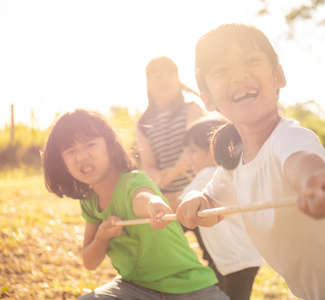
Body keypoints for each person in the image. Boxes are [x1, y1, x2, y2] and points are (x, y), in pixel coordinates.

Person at [175, 23, 325, 300]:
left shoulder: (289, 137)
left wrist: (315, 182)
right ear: (206, 97)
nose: (239, 75)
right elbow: (212, 206)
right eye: (221, 70)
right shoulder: (233, 167)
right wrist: (196, 201)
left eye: (251, 60)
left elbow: (302, 162)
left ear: (278, 76)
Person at [42, 109, 228, 300]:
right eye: (71, 151)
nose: (81, 157)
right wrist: (101, 238)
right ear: (61, 162)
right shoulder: (89, 202)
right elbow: (89, 262)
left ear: (110, 147)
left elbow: (142, 198)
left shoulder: (133, 181)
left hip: (189, 287)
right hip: (135, 288)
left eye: (90, 144)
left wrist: (153, 205)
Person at [179, 116, 263, 300]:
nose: (187, 158)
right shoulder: (221, 176)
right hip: (235, 257)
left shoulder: (206, 175)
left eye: (193, 152)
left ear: (211, 151)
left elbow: (181, 205)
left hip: (236, 258)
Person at [136, 56, 205, 210]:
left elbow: (193, 151)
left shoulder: (191, 110)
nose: (164, 80)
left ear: (178, 80)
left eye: (170, 74)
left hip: (198, 193)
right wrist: (160, 180)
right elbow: (148, 165)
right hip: (166, 200)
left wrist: (172, 173)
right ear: (148, 84)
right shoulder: (143, 124)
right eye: (157, 76)